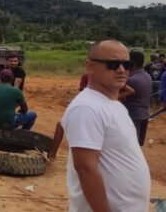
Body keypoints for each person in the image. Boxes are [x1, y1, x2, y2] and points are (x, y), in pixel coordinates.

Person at [60, 40, 150, 211]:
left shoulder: (114, 105)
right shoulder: (87, 108)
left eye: (126, 64)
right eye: (112, 64)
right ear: (90, 66)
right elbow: (85, 168)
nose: (121, 70)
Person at [118, 51, 151, 146]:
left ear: (132, 63)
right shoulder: (147, 76)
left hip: (132, 115)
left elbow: (113, 95)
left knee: (130, 145)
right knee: (138, 144)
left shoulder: (131, 80)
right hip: (144, 114)